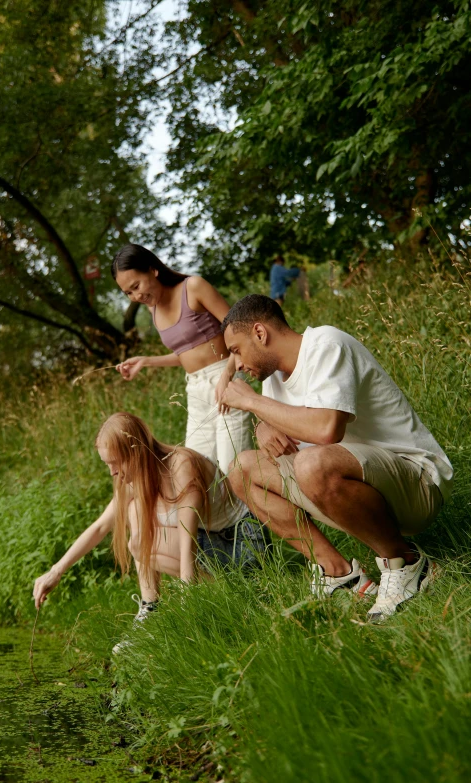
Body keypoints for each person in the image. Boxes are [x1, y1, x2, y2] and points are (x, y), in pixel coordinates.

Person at [219, 294, 453, 622]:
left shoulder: (327, 345)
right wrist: (262, 427)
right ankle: (339, 575)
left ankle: (406, 563)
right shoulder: (273, 379)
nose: (237, 365)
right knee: (242, 468)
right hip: (360, 485)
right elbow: (285, 424)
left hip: (417, 482)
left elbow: (327, 429)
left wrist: (252, 404)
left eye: (236, 351)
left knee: (311, 463)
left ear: (260, 333)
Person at [32, 412, 267, 650]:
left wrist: (187, 620)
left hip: (239, 545)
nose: (112, 472)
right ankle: (150, 609)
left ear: (137, 452)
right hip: (209, 544)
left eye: (116, 462)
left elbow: (188, 545)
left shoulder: (181, 467)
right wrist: (56, 571)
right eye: (107, 464)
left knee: (139, 530)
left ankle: (227, 594)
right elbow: (101, 527)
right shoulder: (135, 480)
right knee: (134, 513)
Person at [111, 244, 252, 473]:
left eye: (136, 286)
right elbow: (187, 355)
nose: (136, 296)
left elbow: (240, 332)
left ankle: (255, 509)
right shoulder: (153, 310)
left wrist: (228, 375)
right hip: (196, 389)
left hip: (226, 377)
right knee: (197, 471)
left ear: (152, 270)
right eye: (128, 292)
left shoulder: (193, 287)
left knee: (232, 468)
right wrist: (146, 361)